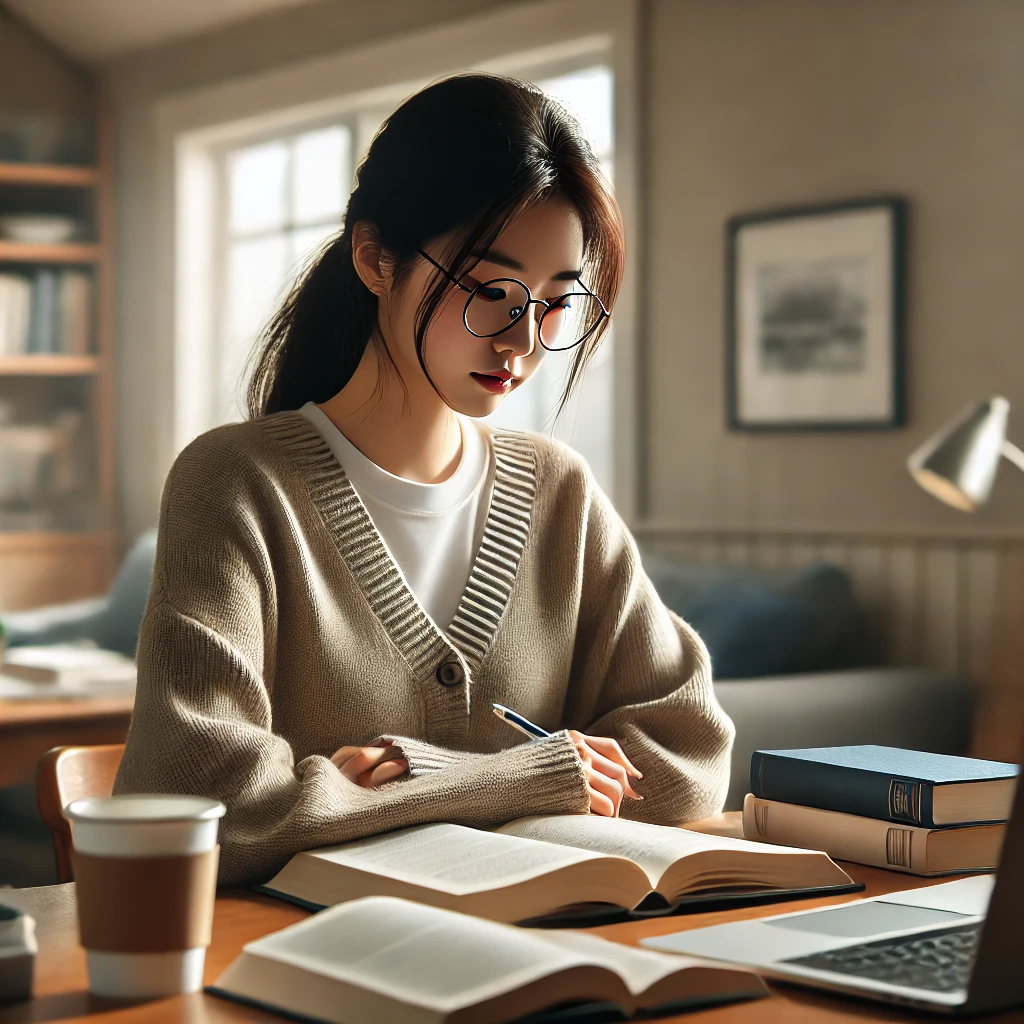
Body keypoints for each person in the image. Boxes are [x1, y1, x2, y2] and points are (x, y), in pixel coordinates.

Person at [114, 73, 734, 886]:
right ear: (376, 259)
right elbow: (206, 807)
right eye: (491, 290)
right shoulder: (235, 484)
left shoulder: (559, 493)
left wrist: (357, 794)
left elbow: (687, 756)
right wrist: (521, 776)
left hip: (548, 952)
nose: (525, 340)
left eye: (555, 300)